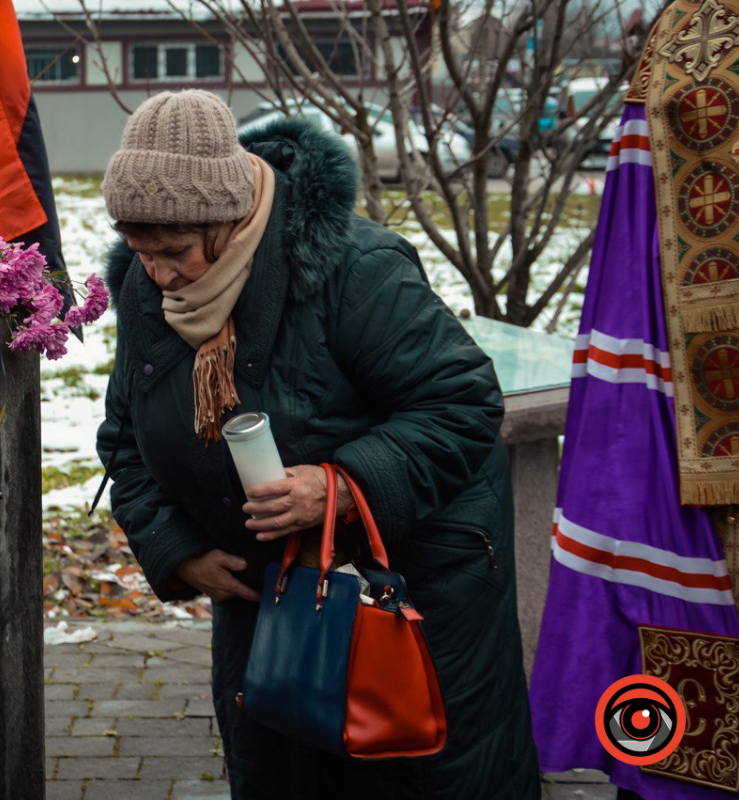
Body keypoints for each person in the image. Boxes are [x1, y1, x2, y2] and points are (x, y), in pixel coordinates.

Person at [94, 89, 540, 798]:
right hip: (270, 600)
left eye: (174, 253)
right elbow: (126, 440)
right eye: (142, 253)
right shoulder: (150, 291)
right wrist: (177, 549)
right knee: (285, 772)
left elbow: (461, 403)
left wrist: (342, 487)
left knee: (415, 779)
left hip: (408, 591)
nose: (159, 275)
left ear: (228, 217)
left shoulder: (355, 269)